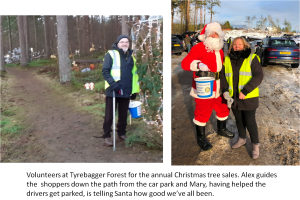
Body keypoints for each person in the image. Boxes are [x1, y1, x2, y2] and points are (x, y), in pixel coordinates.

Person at [181, 22, 234, 151]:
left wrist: (225, 88)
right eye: (211, 33)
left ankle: (221, 129)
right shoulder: (198, 48)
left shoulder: (220, 50)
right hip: (204, 86)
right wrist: (198, 65)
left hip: (218, 86)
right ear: (206, 35)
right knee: (202, 112)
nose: (214, 35)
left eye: (216, 33)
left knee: (223, 108)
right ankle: (201, 139)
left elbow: (221, 70)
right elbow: (185, 63)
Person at [220, 37, 263, 159]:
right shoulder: (227, 59)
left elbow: (259, 75)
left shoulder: (252, 58)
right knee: (239, 120)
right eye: (234, 44)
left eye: (239, 44)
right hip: (234, 98)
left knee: (249, 122)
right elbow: (222, 76)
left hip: (248, 97)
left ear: (245, 46)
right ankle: (242, 139)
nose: (237, 46)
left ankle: (255, 145)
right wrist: (224, 90)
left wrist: (245, 90)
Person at [102, 35, 140, 147]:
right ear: (117, 43)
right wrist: (113, 85)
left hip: (126, 90)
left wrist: (134, 91)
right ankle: (107, 136)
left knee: (123, 114)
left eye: (126, 42)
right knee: (109, 115)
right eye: (122, 42)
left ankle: (121, 133)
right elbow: (105, 71)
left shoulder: (132, 57)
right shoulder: (111, 54)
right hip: (113, 90)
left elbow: (135, 76)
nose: (124, 44)